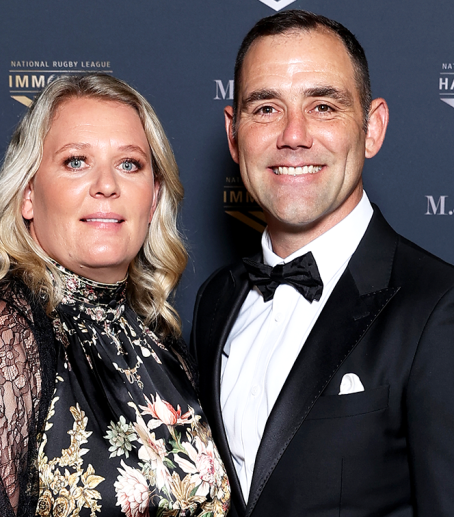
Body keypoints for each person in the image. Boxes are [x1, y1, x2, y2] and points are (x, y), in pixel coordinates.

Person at [190, 10, 454, 516]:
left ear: (372, 128)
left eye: (324, 106)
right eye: (266, 108)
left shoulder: (438, 309)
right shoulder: (216, 301)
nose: (294, 135)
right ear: (234, 133)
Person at [0, 73, 231, 517]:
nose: (107, 185)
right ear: (28, 195)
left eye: (129, 164)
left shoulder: (160, 341)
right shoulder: (0, 333)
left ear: (153, 201)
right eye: (76, 161)